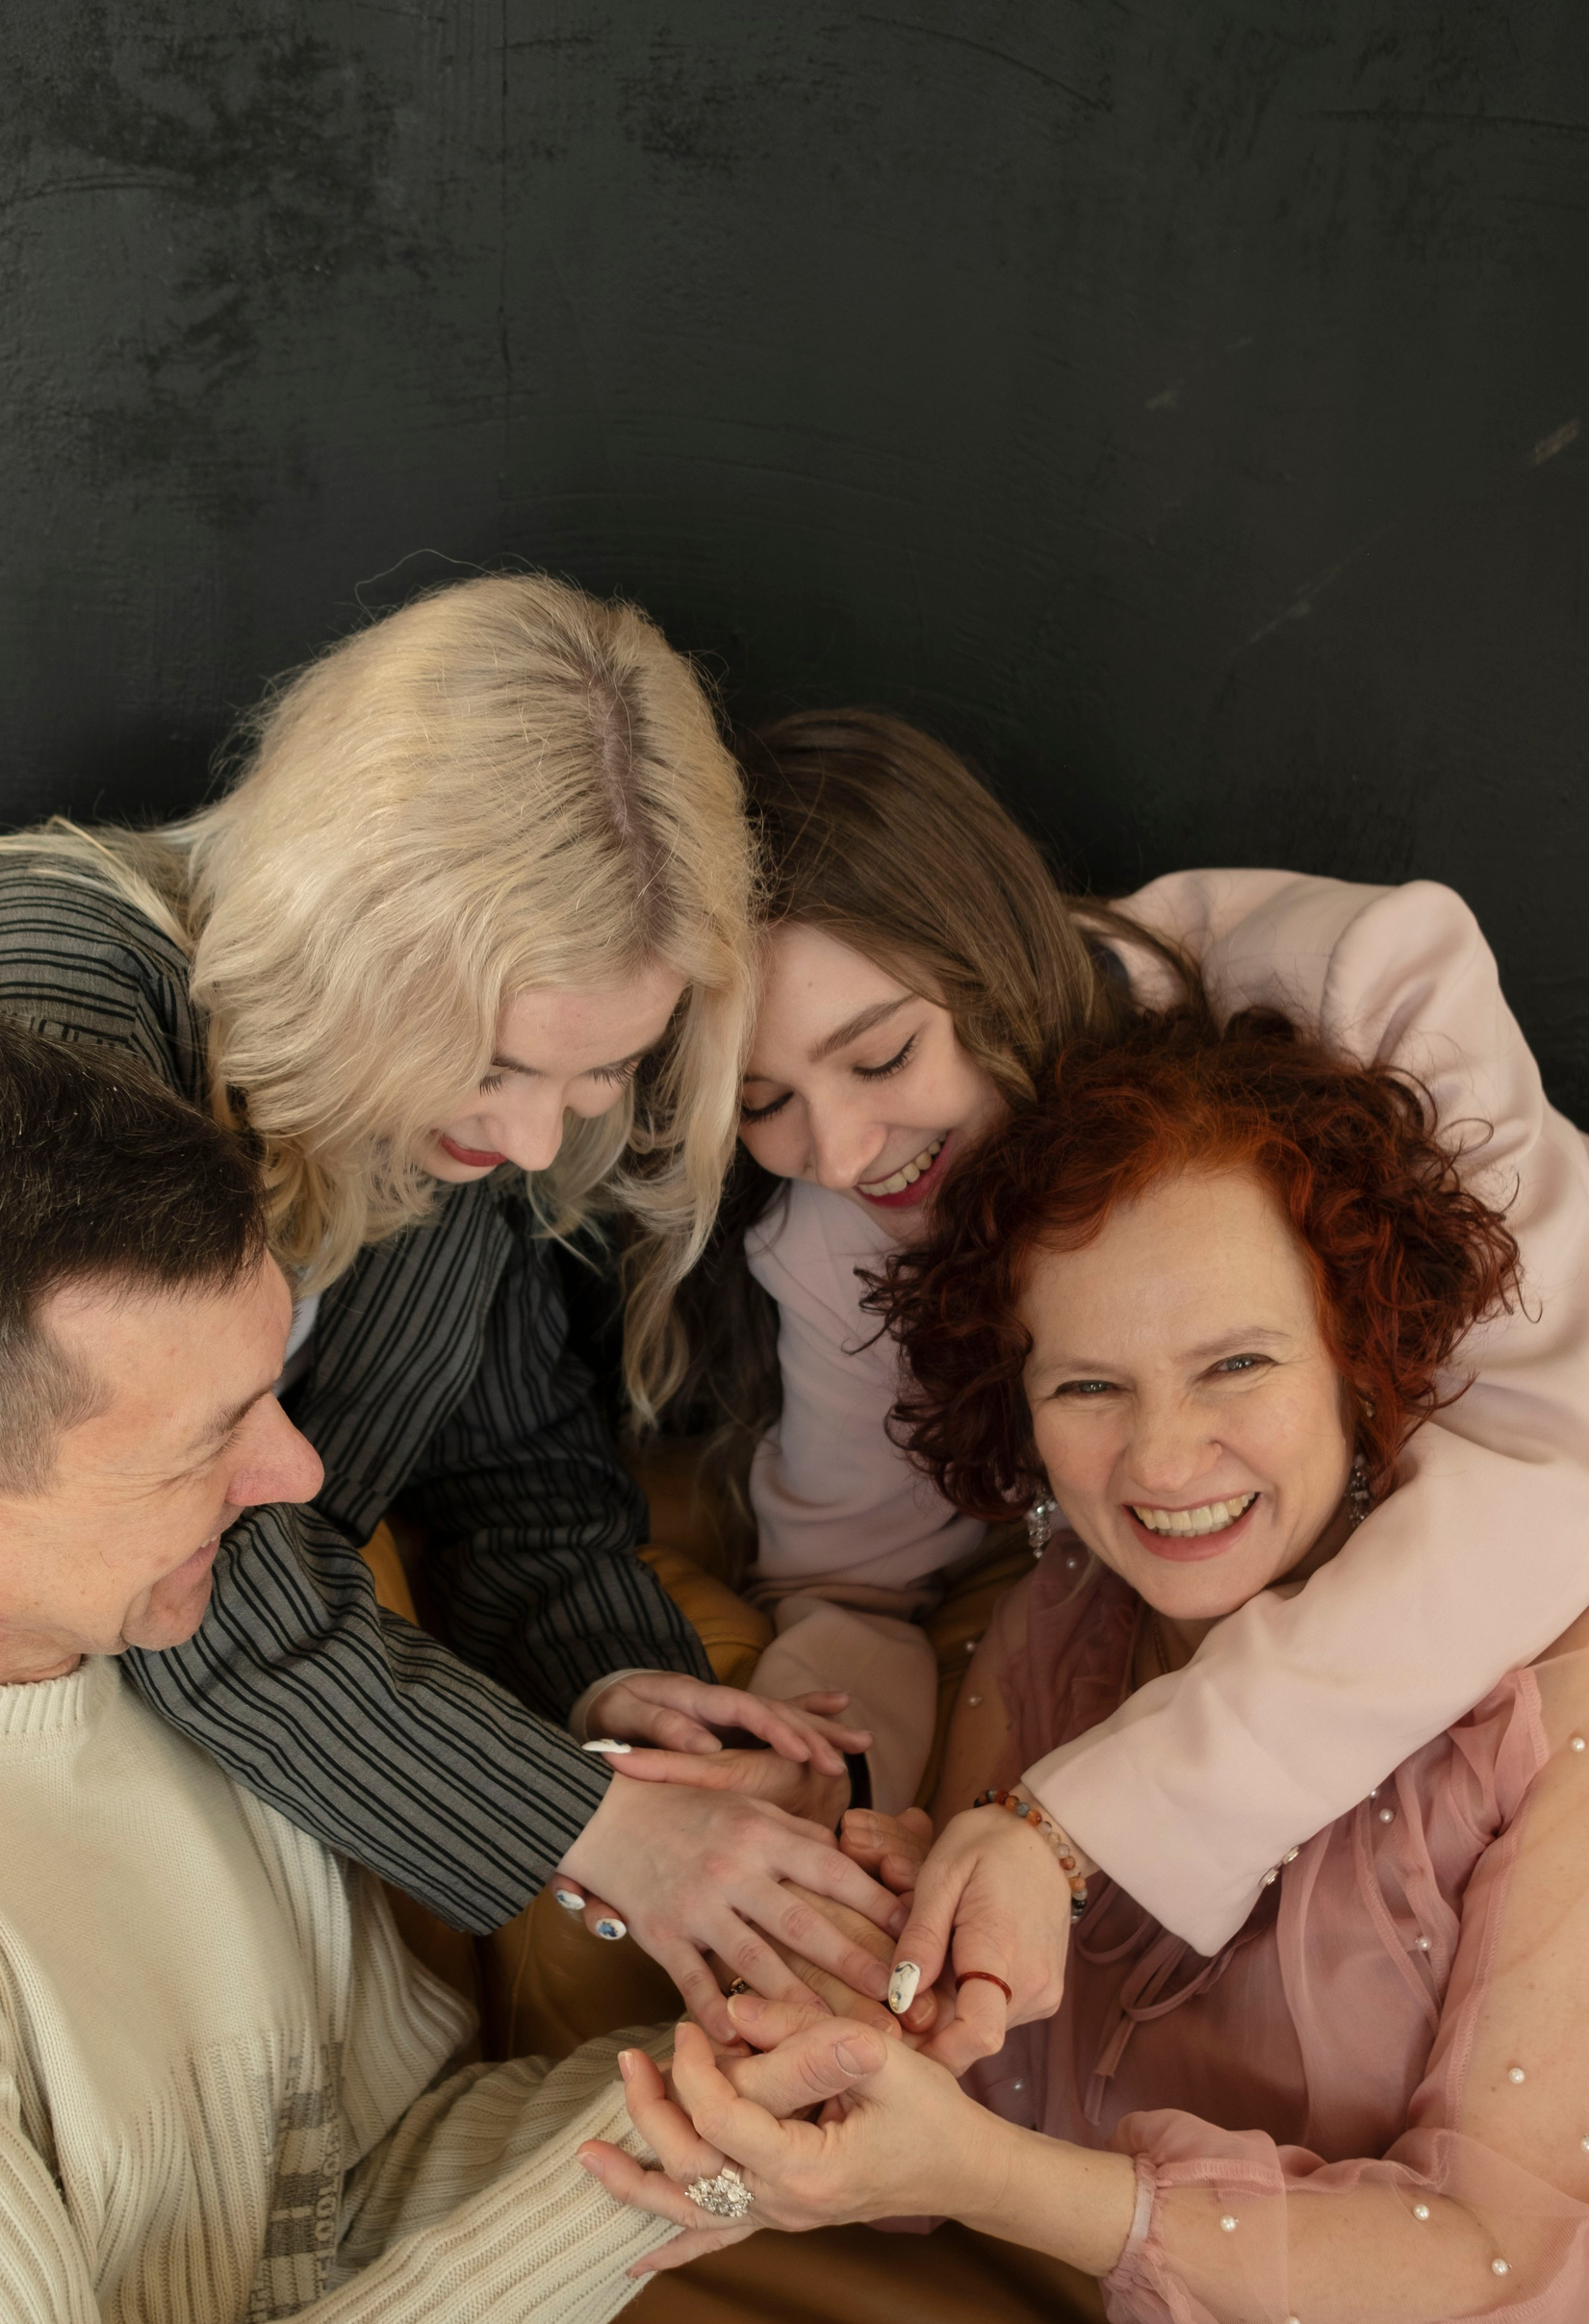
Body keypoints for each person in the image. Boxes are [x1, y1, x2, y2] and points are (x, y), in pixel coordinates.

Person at [0, 1003, 882, 2324]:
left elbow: (344, 2188)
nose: (298, 1479)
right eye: (204, 1443)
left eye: (272, 1385)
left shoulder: (162, 1659)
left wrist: (769, 2071)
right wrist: (681, 2169)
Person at [0, 575, 906, 2039]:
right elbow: (155, 1540)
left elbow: (511, 1461)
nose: (535, 1138)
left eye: (602, 1073)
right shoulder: (41, 1034)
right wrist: (592, 1829)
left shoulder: (445, 1108)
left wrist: (609, 1684)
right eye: (494, 1066)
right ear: (354, 943)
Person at [587, 1005, 1589, 2324]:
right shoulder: (1058, 1638)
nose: (1164, 1462)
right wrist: (842, 2027)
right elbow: (955, 2099)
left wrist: (988, 2178)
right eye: (1089, 1387)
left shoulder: (1559, 1703)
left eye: (1236, 1363)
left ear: (1365, 1353)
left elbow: (1490, 2274)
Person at [665, 704, 1589, 2052]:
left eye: (883, 1055)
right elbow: (853, 1583)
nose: (847, 1151)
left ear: (992, 952)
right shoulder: (833, 1234)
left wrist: (1087, 1821)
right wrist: (827, 1800)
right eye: (763, 1103)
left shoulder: (1364, 984)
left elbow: (1551, 1472)